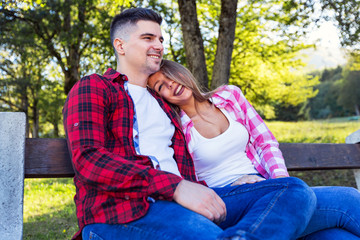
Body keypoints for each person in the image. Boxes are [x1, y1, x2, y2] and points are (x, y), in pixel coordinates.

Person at [63, 8, 317, 240]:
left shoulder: (165, 105)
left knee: (293, 190)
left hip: (188, 202)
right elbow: (89, 160)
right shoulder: (95, 87)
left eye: (161, 40)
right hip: (124, 213)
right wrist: (176, 187)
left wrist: (231, 185)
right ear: (120, 45)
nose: (159, 46)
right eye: (148, 38)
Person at [147, 59, 360, 240]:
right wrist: (249, 184)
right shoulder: (175, 128)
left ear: (182, 73)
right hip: (224, 197)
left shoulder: (229, 97)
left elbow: (265, 142)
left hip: (267, 187)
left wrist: (280, 184)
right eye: (161, 86)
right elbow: (181, 177)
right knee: (348, 199)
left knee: (340, 236)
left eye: (171, 76)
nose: (171, 84)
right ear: (160, 97)